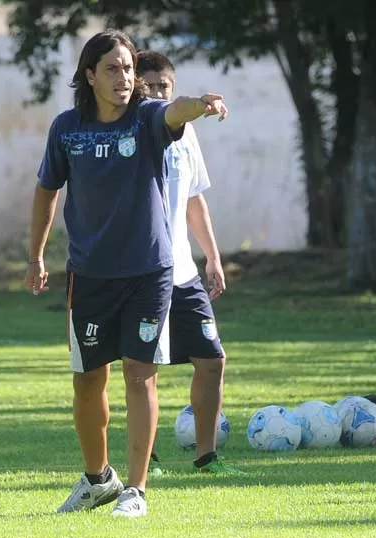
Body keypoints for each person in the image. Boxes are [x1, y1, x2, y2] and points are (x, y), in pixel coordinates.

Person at [25, 30, 229, 518]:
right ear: (90, 75)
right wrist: (35, 255)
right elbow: (46, 190)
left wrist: (198, 105)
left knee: (140, 375)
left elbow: (173, 109)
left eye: (129, 69)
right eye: (113, 68)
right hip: (90, 275)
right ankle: (99, 479)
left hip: (148, 272)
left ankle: (136, 490)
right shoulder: (66, 129)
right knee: (87, 381)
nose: (124, 77)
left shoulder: (147, 119)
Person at [136, 51, 237, 476]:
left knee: (212, 360)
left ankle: (207, 456)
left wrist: (211, 256)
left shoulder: (187, 133)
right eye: (150, 85)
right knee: (145, 367)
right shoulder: (135, 129)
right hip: (141, 271)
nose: (158, 93)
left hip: (183, 271)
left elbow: (194, 199)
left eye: (165, 86)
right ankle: (148, 459)